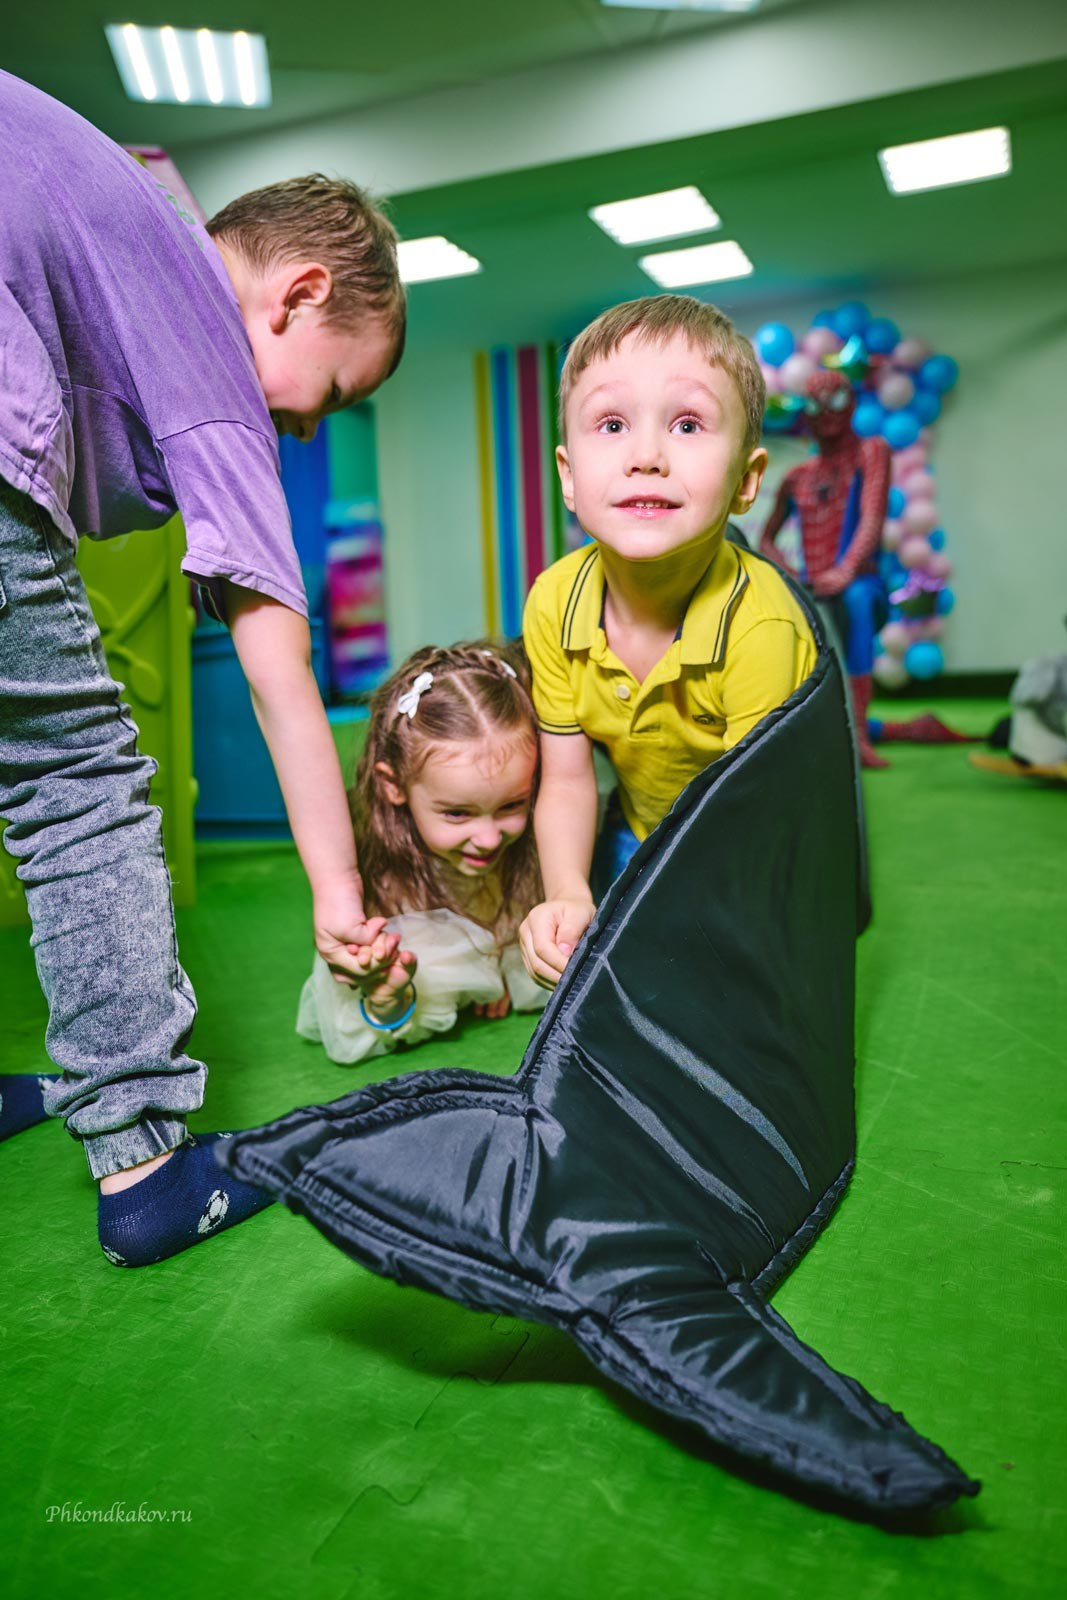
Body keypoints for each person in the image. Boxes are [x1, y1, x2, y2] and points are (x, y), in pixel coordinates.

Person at [0, 71, 405, 1266]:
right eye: (331, 394)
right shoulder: (212, 348)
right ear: (299, 294)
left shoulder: (130, 227)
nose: (306, 430)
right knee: (73, 779)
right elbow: (282, 678)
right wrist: (339, 897)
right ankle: (145, 1165)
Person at [519, 294, 817, 987]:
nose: (646, 456)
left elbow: (755, 828)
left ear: (746, 481)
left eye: (687, 424)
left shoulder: (761, 628)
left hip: (752, 849)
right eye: (612, 424)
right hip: (640, 831)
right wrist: (566, 892)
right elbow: (566, 778)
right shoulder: (553, 601)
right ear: (568, 476)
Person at [298, 643, 548, 1063]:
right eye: (457, 813)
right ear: (393, 785)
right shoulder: (384, 881)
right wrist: (388, 999)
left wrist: (504, 965)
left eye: (511, 805)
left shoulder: (539, 845)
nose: (488, 838)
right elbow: (346, 1024)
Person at [759, 368, 891, 768]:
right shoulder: (797, 477)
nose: (826, 412)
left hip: (861, 584)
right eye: (816, 404)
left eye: (835, 400)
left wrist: (845, 571)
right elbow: (766, 539)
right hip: (814, 587)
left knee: (856, 601)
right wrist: (790, 575)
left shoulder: (871, 452)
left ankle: (860, 734)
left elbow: (872, 517)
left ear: (851, 404)